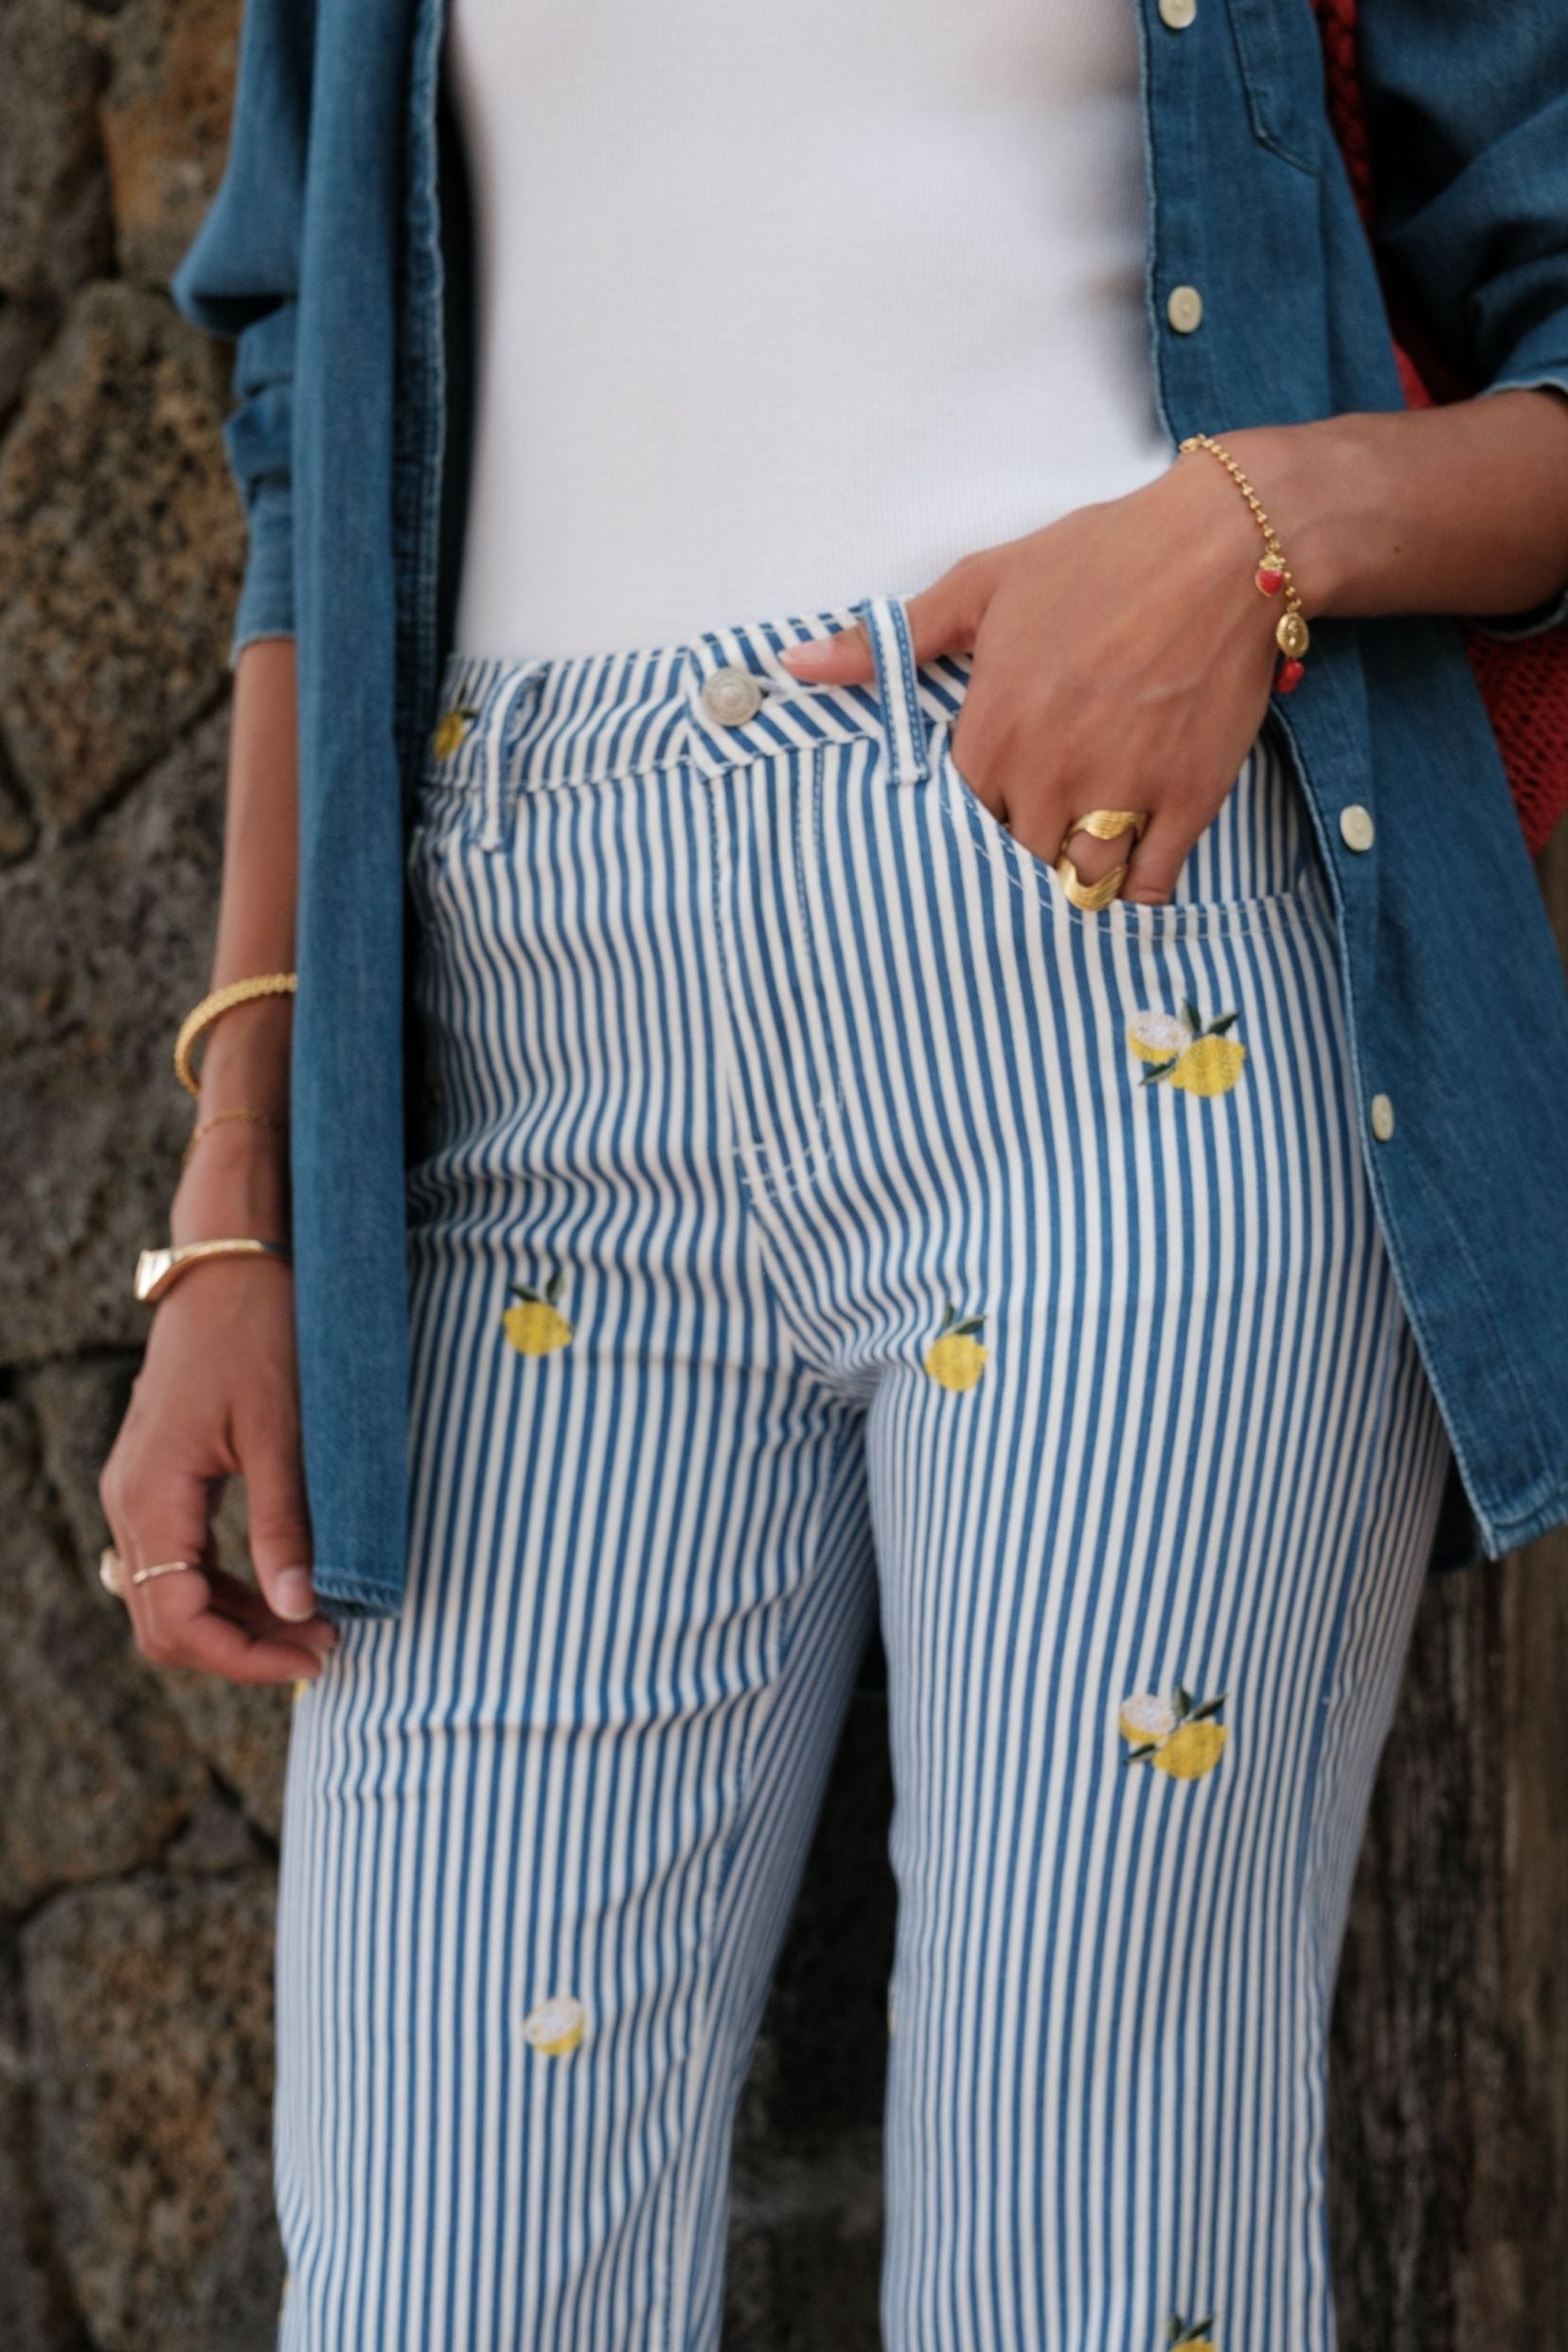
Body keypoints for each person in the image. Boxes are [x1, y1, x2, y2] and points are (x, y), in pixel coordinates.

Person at [98, 1, 1568, 2344]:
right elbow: (315, 388)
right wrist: (244, 1176)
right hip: (520, 1046)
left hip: (1122, 979)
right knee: (435, 2277)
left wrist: (1261, 530)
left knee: (1096, 2257)